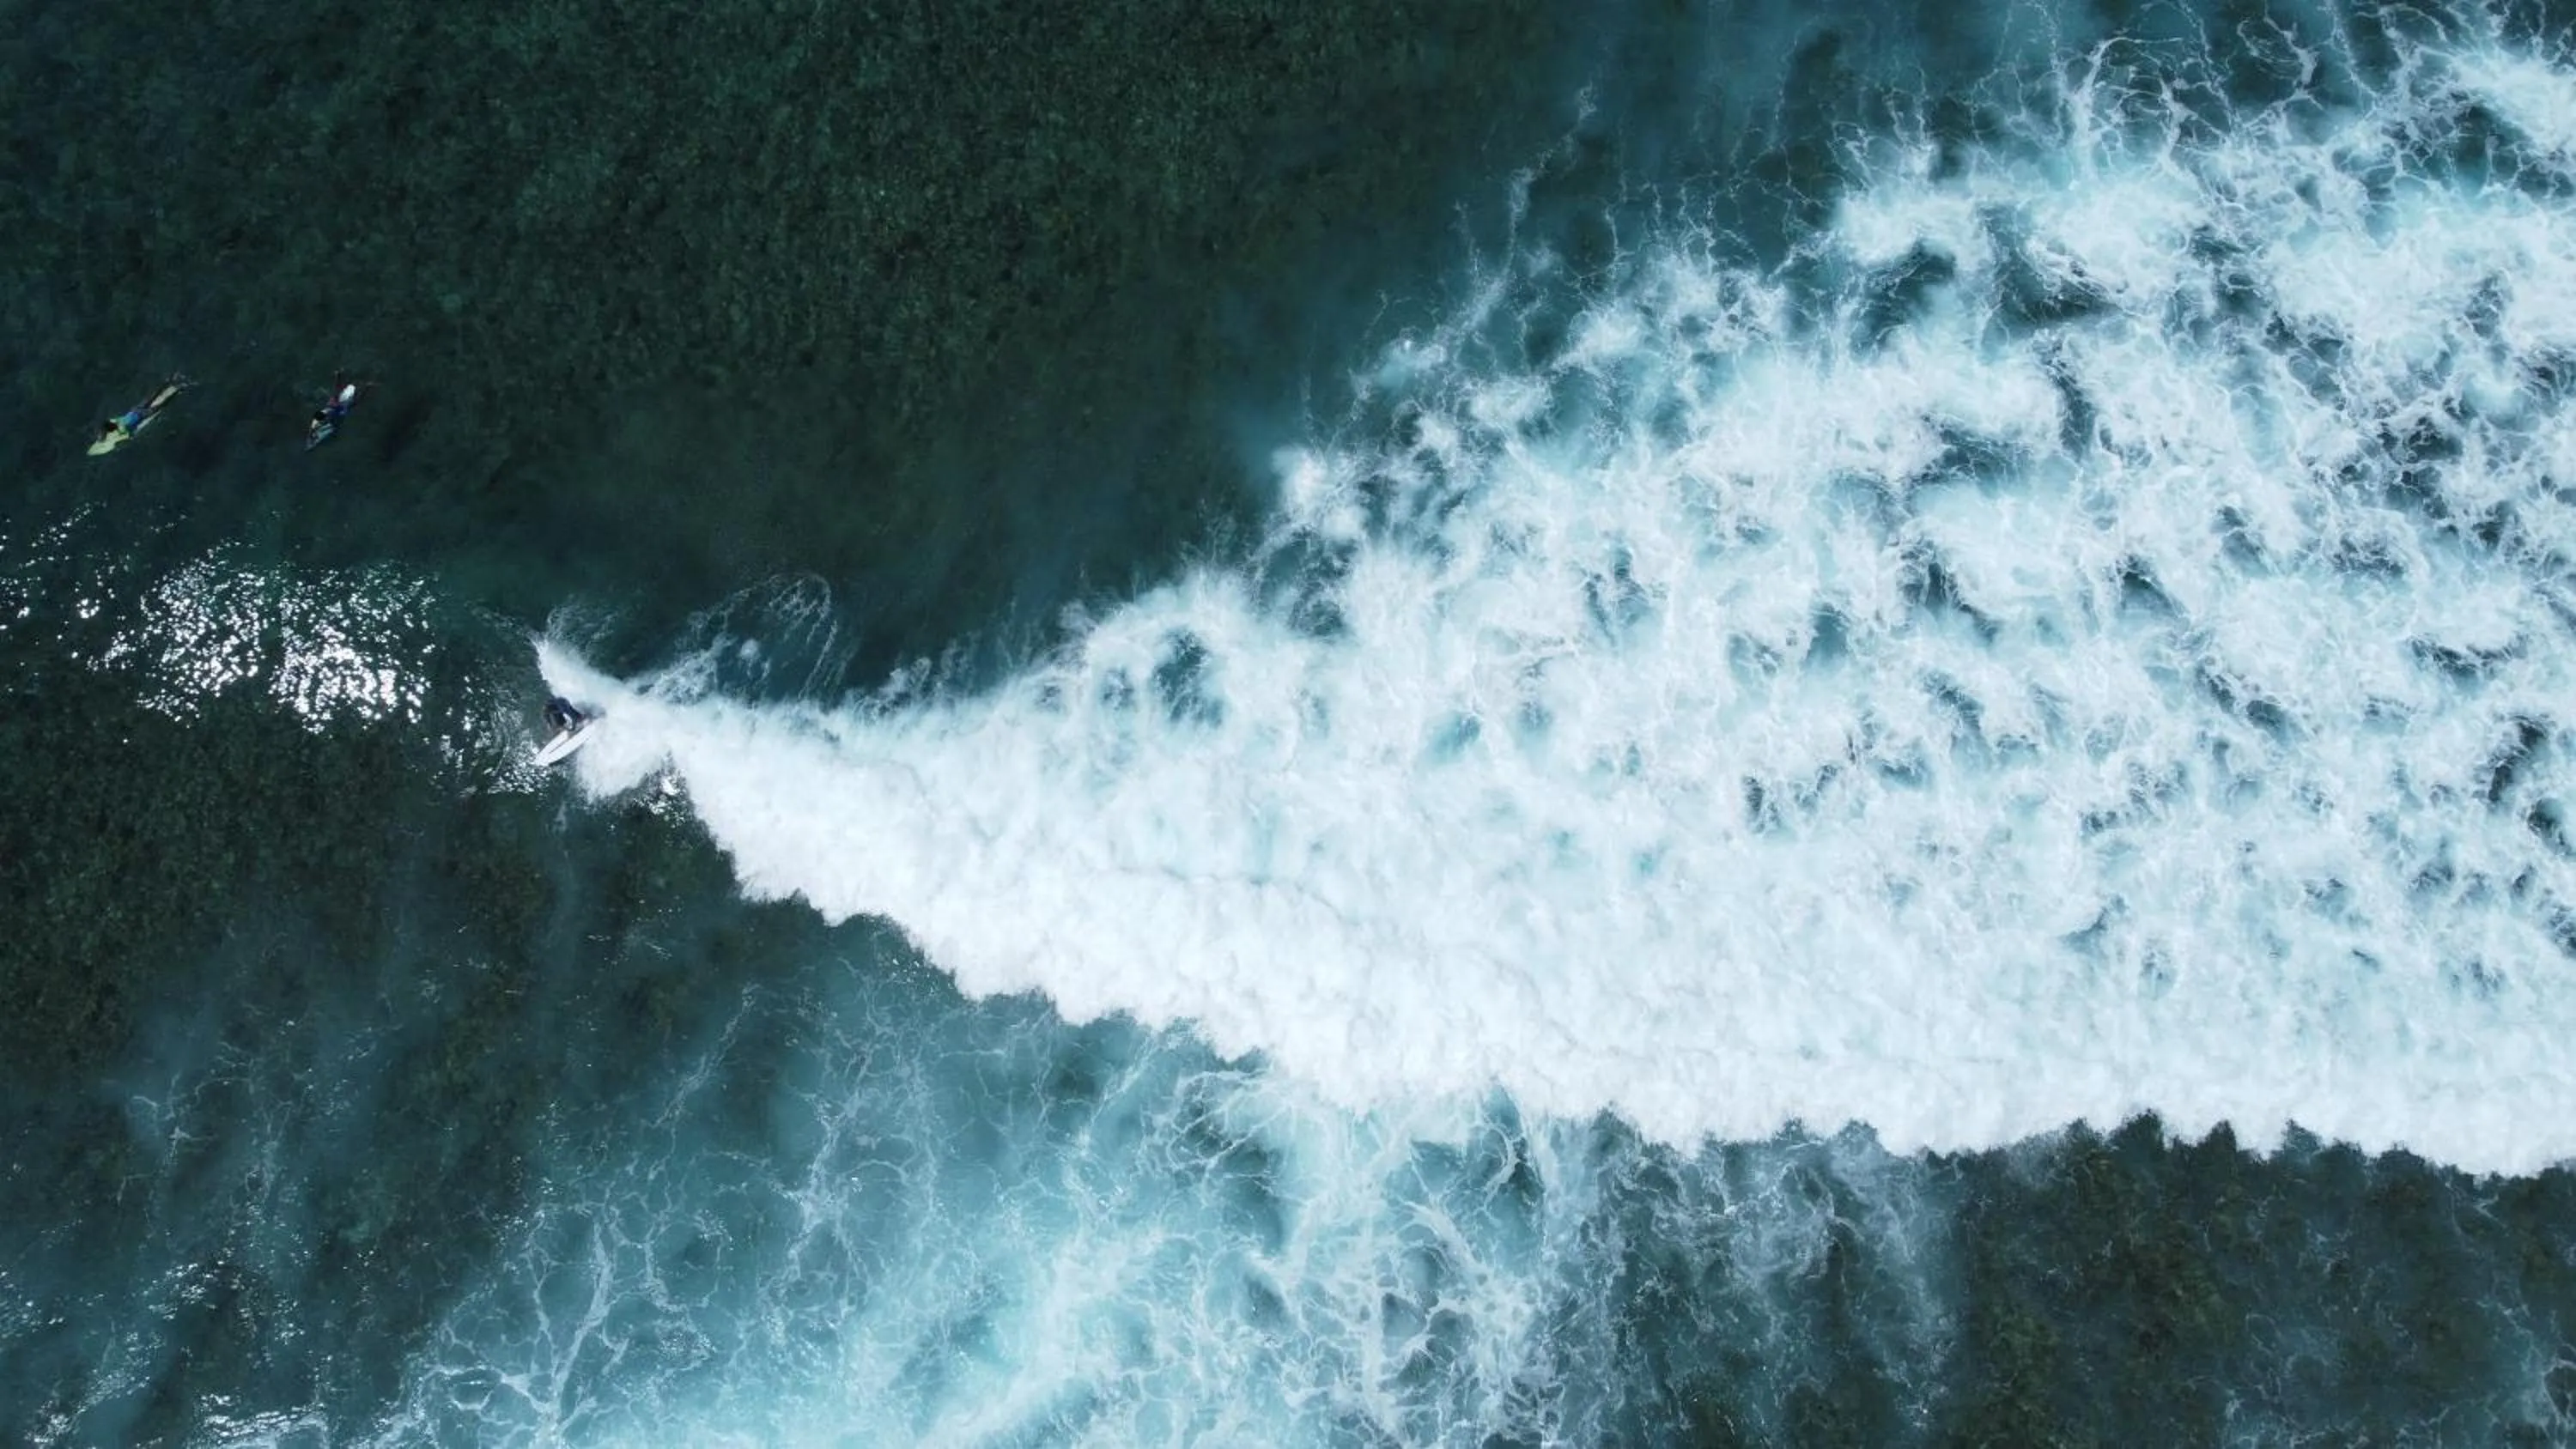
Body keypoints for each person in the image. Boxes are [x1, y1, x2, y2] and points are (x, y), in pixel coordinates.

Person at [88, 376, 189, 456]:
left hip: (139, 416)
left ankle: (178, 389)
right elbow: (115, 424)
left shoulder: (117, 430)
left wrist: (120, 439)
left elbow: (127, 435)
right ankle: (168, 381)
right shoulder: (113, 422)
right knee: (152, 397)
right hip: (134, 411)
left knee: (160, 405)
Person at [306, 379, 361, 450]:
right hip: (332, 420)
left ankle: (315, 434)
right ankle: (314, 434)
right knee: (329, 417)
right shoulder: (337, 404)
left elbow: (357, 400)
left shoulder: (345, 405)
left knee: (332, 420)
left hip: (334, 422)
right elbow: (337, 389)